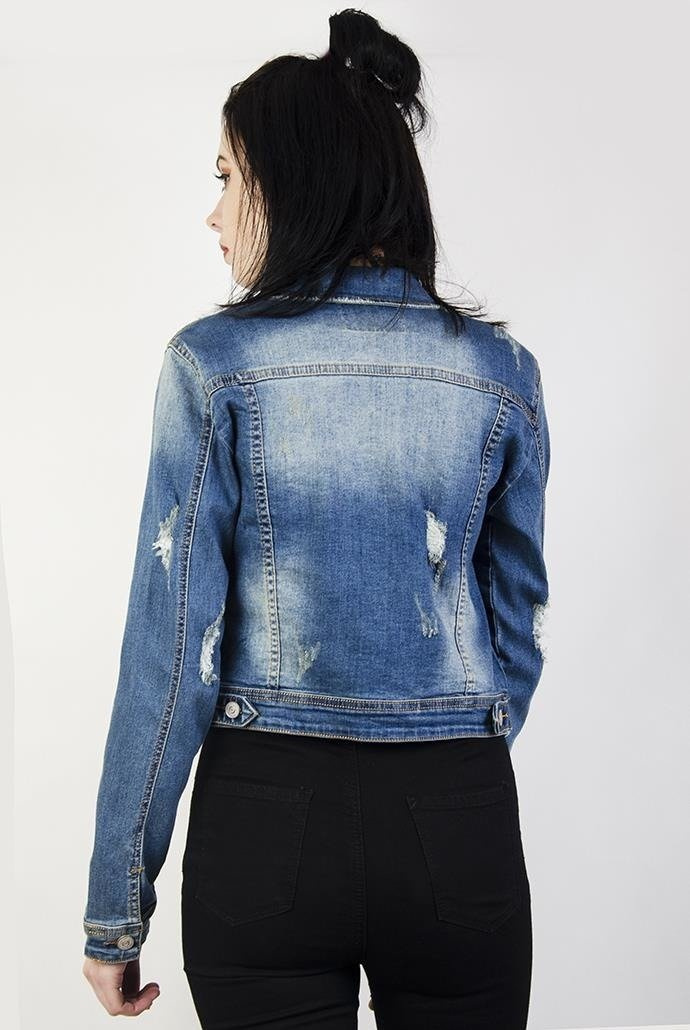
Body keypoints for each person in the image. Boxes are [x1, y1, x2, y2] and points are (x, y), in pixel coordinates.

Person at [82, 8, 550, 1027]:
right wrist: (448, 761)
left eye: (226, 177)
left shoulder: (214, 365)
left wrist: (115, 910)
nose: (213, 213)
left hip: (267, 827)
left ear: (294, 179)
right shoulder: (503, 373)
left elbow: (170, 653)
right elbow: (517, 628)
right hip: (455, 819)